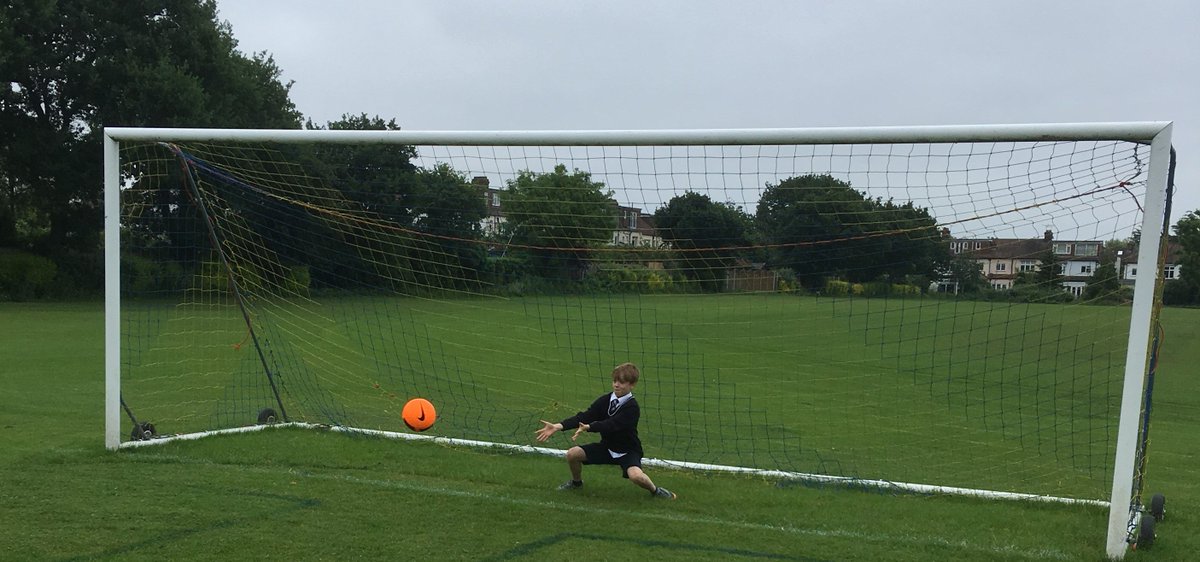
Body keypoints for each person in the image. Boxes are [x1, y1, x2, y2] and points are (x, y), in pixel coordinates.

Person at [534, 362, 676, 499]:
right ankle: (576, 483)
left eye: (622, 382)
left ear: (632, 385)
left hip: (628, 451)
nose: (616, 384)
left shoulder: (632, 407)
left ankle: (656, 491)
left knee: (636, 476)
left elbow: (612, 424)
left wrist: (590, 427)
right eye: (615, 380)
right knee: (572, 454)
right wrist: (558, 426)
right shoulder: (605, 400)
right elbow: (585, 416)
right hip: (607, 448)